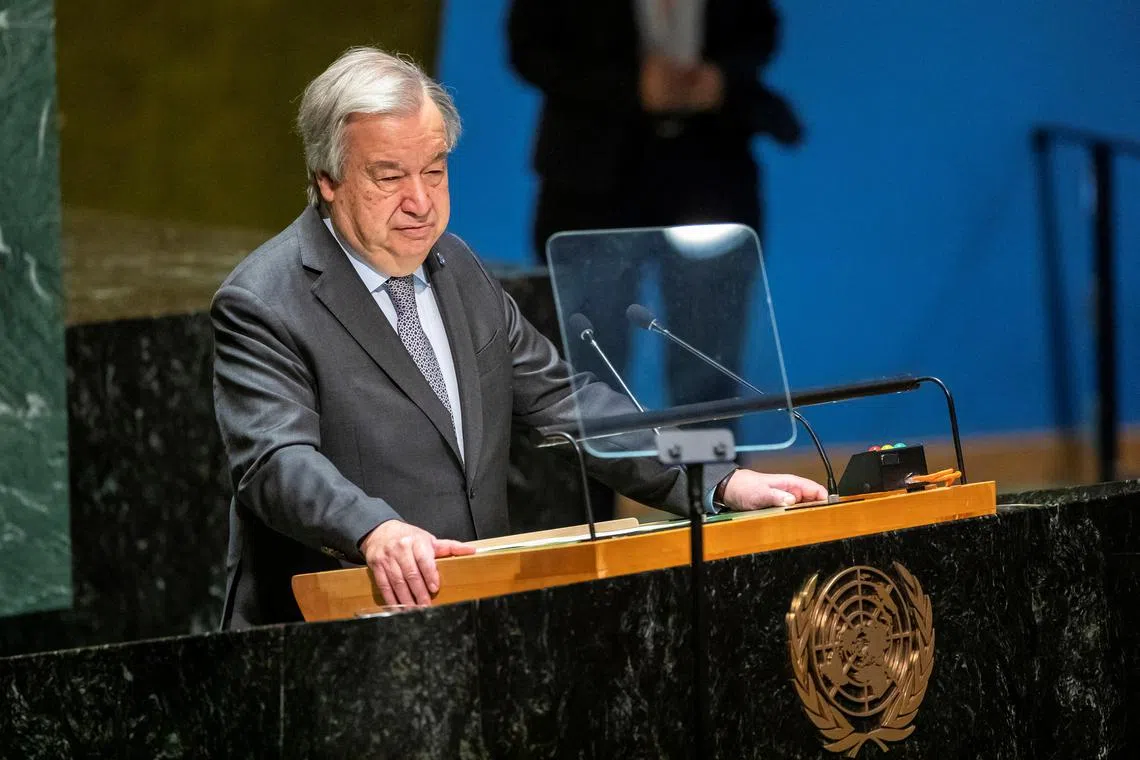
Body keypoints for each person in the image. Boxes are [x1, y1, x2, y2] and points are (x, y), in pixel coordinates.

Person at [211, 47, 825, 629]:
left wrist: (713, 479)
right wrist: (375, 530)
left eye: (434, 170)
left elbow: (570, 403)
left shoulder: (459, 269)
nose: (420, 201)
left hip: (470, 615)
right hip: (331, 628)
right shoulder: (265, 301)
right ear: (327, 179)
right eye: (389, 176)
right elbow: (276, 462)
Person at [508, 0, 803, 407]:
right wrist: (629, 87)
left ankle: (708, 471)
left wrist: (721, 79)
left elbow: (759, 29)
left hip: (712, 174)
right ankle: (599, 472)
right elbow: (529, 47)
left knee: (708, 372)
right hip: (590, 180)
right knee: (591, 369)